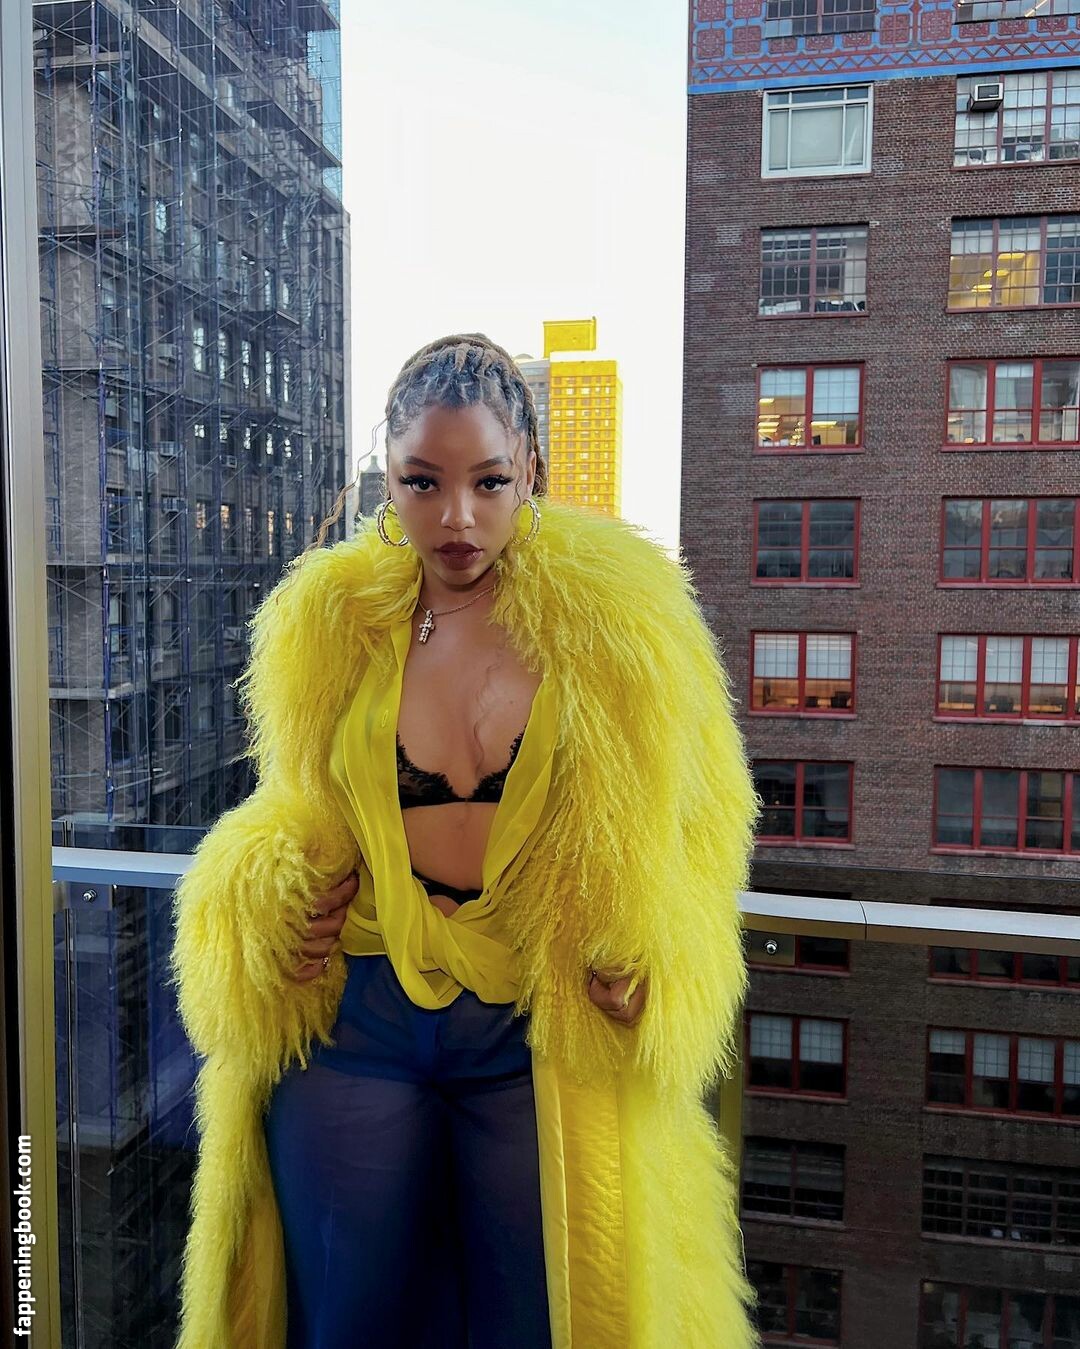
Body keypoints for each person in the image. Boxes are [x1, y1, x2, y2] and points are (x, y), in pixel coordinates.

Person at [169, 334, 762, 1349]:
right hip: (356, 1015)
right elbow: (292, 803)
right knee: (343, 1319)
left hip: (534, 1020)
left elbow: (704, 829)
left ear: (531, 470)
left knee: (545, 1318)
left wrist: (665, 952)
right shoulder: (328, 623)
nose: (456, 518)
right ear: (387, 477)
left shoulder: (628, 626)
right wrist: (262, 895)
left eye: (488, 481)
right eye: (423, 482)